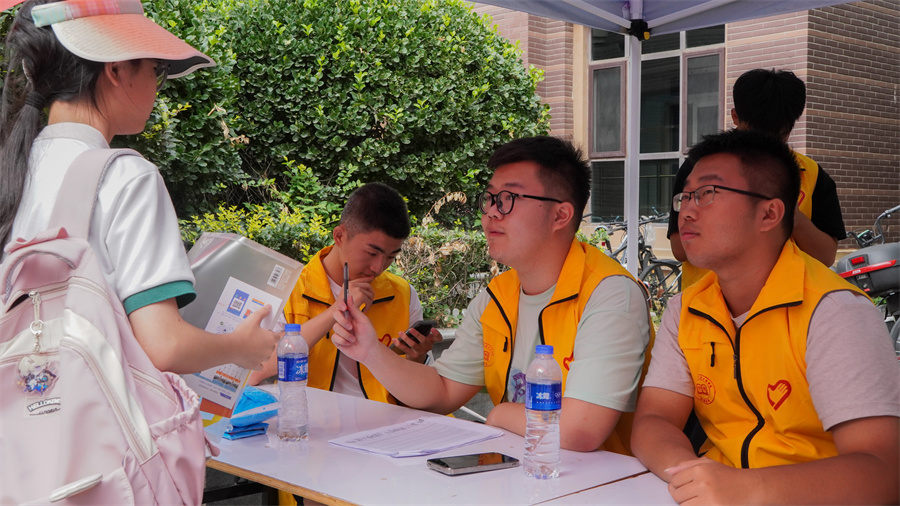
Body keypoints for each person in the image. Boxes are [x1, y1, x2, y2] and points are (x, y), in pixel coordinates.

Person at [0, 0, 280, 374]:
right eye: (156, 70)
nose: (158, 87)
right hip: (86, 407)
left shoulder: (15, 167)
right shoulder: (127, 176)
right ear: (116, 68)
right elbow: (165, 346)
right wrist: (240, 347)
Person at [331, 136, 652, 454]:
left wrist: (499, 415)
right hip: (520, 471)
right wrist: (370, 351)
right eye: (490, 198)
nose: (491, 214)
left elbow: (579, 430)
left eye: (509, 198)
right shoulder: (496, 298)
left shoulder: (610, 294)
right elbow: (442, 391)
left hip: (599, 480)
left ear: (560, 215)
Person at [631, 129, 899, 504]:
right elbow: (653, 420)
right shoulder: (688, 307)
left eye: (708, 193)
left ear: (769, 213)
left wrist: (747, 488)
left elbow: (883, 472)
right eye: (685, 196)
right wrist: (694, 477)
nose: (686, 211)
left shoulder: (834, 312)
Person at [248, 182, 442, 403]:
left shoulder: (402, 294)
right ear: (339, 236)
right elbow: (255, 370)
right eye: (372, 253)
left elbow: (421, 389)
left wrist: (417, 357)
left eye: (391, 257)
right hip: (309, 415)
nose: (378, 268)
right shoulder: (289, 289)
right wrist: (335, 310)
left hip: (387, 417)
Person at [668, 69, 846, 287]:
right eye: (755, 137)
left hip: (786, 301)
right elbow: (679, 249)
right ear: (735, 117)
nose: (764, 149)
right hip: (708, 301)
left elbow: (825, 256)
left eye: (776, 138)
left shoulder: (812, 175)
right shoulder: (699, 168)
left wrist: (792, 216)